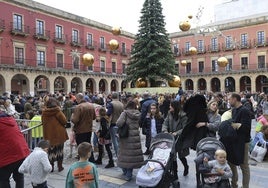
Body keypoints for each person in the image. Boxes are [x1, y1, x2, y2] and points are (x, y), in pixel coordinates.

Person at [0, 106, 30, 188]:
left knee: (3, 179)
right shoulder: (10, 119)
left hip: (6, 156)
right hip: (20, 152)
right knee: (19, 176)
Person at [227, 93, 251, 188]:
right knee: (232, 162)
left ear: (234, 99)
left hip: (243, 142)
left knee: (244, 166)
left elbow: (247, 128)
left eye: (229, 99)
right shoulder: (234, 110)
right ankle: (234, 184)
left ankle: (245, 186)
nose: (228, 101)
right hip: (234, 140)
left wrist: (237, 125)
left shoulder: (244, 110)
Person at [116, 100, 144, 181]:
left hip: (126, 137)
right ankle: (128, 174)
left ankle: (126, 173)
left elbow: (119, 123)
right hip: (135, 137)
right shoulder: (138, 113)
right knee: (131, 155)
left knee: (125, 155)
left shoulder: (125, 113)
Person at [162, 100, 189, 178]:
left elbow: (185, 128)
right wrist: (165, 131)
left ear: (175, 107)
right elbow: (165, 123)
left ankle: (186, 166)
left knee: (181, 156)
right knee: (173, 156)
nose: (169, 107)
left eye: (171, 105)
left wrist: (177, 133)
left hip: (180, 138)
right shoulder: (169, 113)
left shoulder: (183, 116)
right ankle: (175, 174)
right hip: (171, 138)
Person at [42, 97, 68, 172]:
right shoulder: (57, 111)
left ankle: (51, 167)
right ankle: (60, 167)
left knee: (51, 152)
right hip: (59, 134)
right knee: (59, 151)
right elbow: (64, 121)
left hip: (49, 135)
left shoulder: (44, 112)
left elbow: (43, 122)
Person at [71, 93, 96, 162]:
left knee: (81, 146)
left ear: (78, 99)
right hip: (89, 129)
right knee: (88, 144)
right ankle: (91, 159)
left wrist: (72, 118)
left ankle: (82, 161)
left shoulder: (79, 107)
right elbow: (94, 117)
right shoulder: (91, 106)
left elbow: (75, 120)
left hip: (80, 129)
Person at [106, 92, 124, 157]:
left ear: (111, 97)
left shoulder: (111, 104)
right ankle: (121, 153)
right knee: (119, 140)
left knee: (114, 140)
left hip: (113, 123)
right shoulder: (121, 104)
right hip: (120, 123)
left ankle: (118, 154)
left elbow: (108, 113)